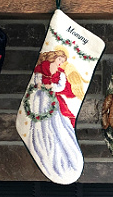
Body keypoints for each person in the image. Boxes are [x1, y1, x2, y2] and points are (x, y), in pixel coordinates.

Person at [26, 49, 84, 180]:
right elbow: (37, 83)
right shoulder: (41, 68)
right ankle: (41, 140)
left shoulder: (61, 73)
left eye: (63, 62)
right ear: (54, 58)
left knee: (57, 123)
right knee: (41, 124)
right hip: (40, 100)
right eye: (60, 60)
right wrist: (44, 86)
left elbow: (60, 87)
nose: (61, 63)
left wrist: (50, 86)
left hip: (52, 101)